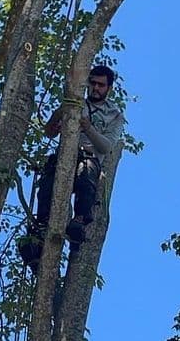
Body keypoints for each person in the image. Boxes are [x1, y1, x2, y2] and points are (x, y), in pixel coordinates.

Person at [19, 65, 125, 267]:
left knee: (87, 179)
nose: (95, 88)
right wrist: (60, 113)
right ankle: (39, 236)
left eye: (100, 85)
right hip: (65, 155)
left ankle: (79, 220)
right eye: (92, 83)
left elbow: (106, 146)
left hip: (89, 157)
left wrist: (88, 127)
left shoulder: (115, 115)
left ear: (108, 88)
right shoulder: (76, 103)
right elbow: (49, 132)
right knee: (47, 188)